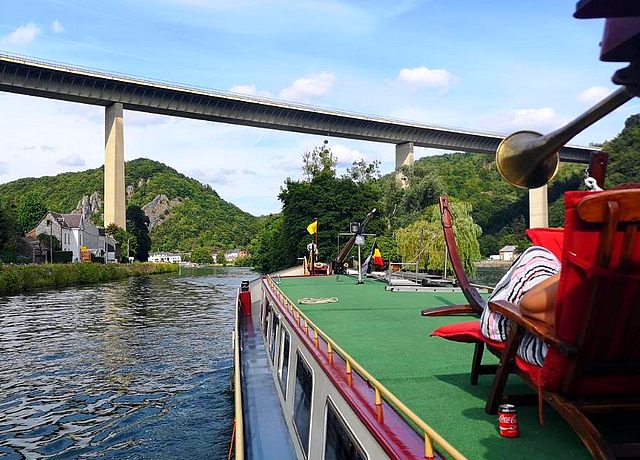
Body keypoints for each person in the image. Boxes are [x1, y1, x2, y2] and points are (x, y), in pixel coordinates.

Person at [480, 246, 561, 366]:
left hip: (549, 350)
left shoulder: (586, 280)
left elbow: (528, 305)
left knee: (536, 255)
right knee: (538, 259)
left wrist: (567, 272)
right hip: (588, 353)